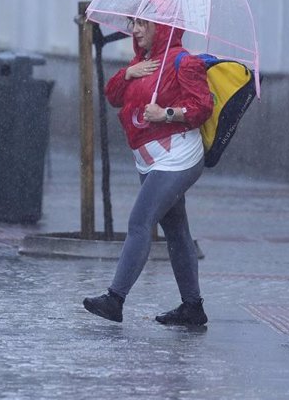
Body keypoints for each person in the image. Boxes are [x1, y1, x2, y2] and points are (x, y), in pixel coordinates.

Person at [83, 16, 213, 326]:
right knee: (176, 229)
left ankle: (115, 299)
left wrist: (166, 113)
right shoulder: (143, 61)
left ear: (162, 28)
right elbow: (113, 95)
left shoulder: (184, 62)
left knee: (140, 221)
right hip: (149, 158)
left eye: (143, 24)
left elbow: (202, 107)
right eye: (133, 24)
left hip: (178, 156)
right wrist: (128, 73)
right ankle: (192, 307)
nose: (136, 30)